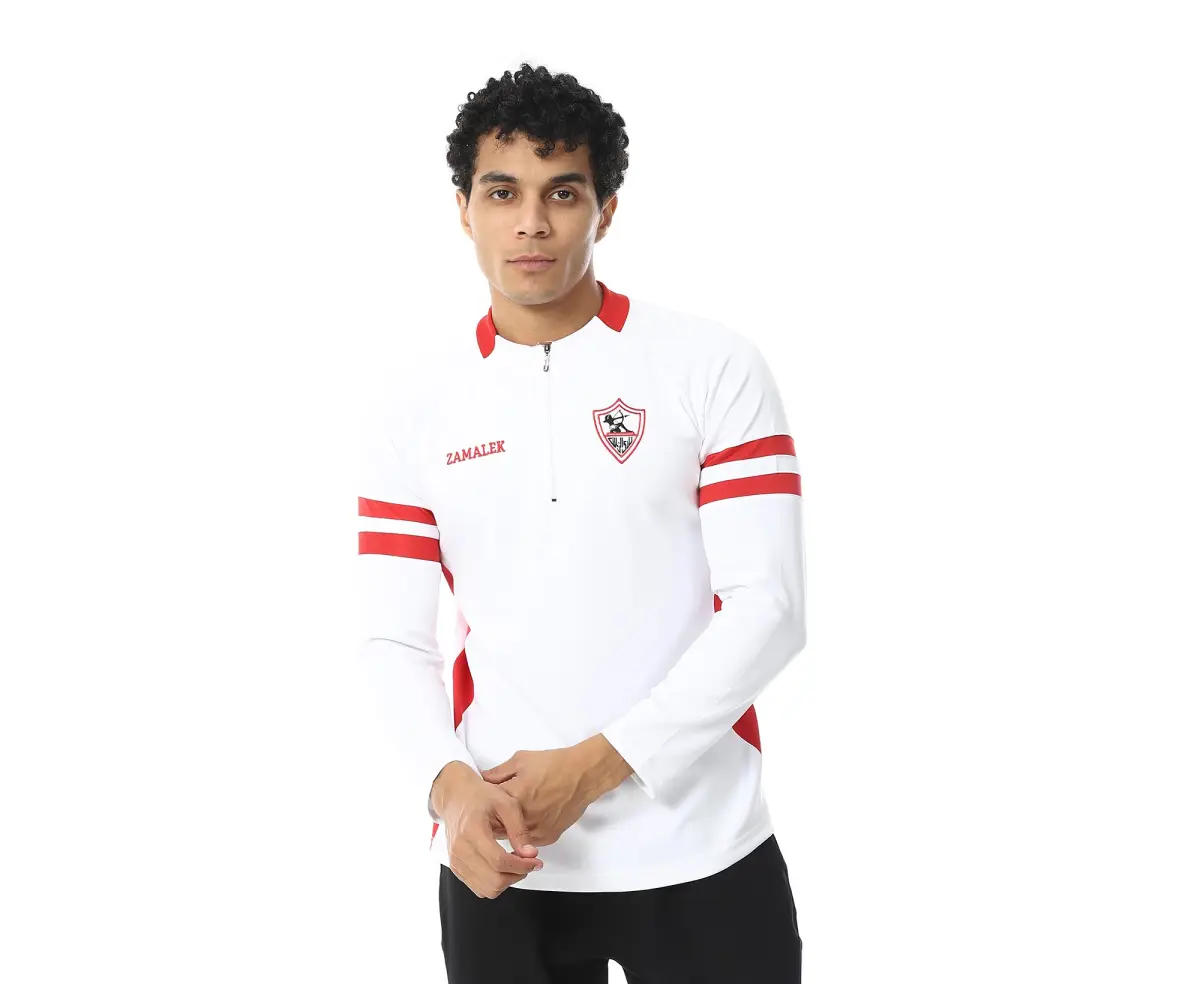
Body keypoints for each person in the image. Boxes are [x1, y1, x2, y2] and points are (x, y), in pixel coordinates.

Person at [357, 62, 807, 983]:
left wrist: (599, 765)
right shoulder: (415, 405)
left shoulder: (711, 367)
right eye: (502, 192)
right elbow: (391, 637)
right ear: (463, 209)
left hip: (704, 848)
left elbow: (770, 607)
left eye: (562, 192)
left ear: (606, 211)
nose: (531, 222)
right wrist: (449, 790)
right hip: (503, 859)